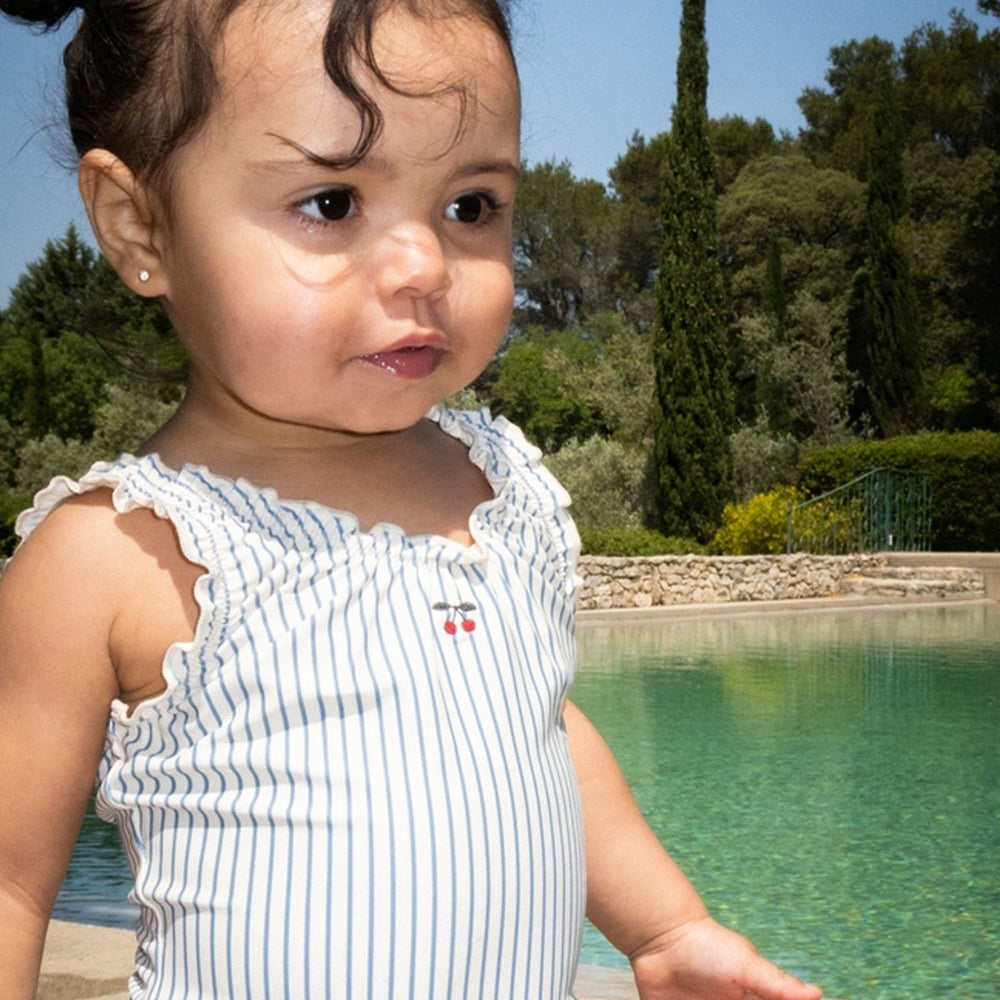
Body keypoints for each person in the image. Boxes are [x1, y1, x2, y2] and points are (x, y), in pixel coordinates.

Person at [0, 2, 826, 998]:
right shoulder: (117, 551)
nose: (426, 267)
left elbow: (538, 728)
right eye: (334, 203)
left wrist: (665, 928)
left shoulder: (504, 491)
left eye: (469, 205)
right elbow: (9, 879)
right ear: (141, 226)